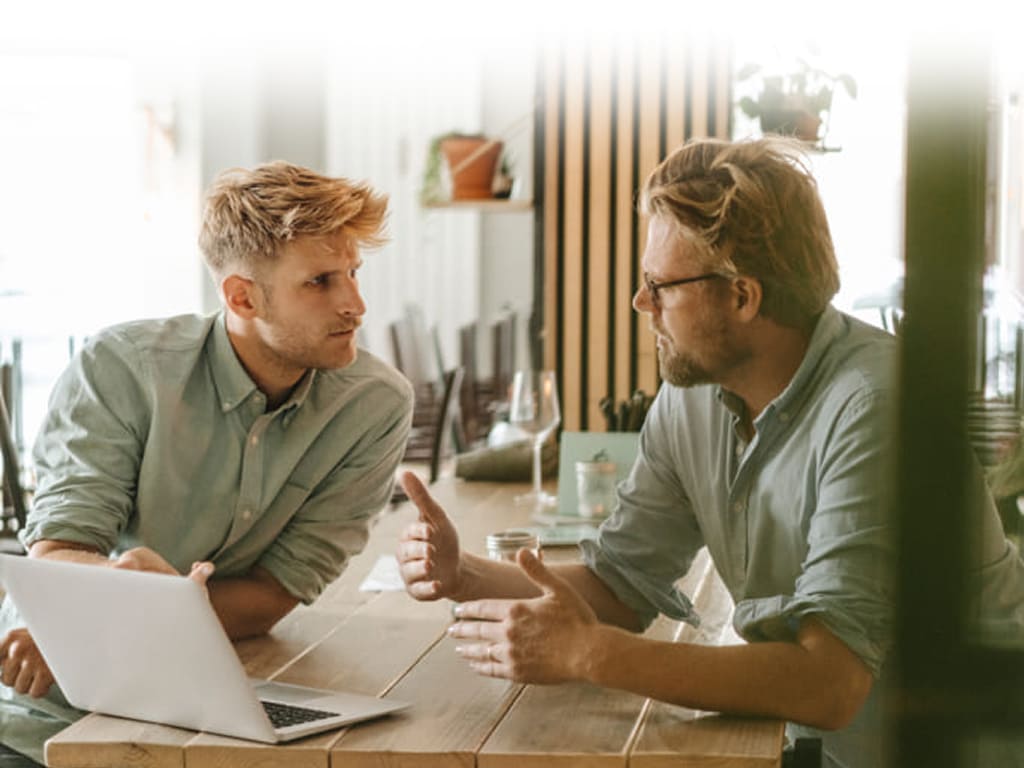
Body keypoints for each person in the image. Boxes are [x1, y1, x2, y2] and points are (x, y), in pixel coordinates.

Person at [397, 137, 1024, 768]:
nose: (641, 304)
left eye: (659, 285)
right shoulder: (694, 395)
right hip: (824, 745)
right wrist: (464, 574)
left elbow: (830, 684)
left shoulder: (876, 406)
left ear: (742, 297)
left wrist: (590, 654)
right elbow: (621, 585)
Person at [0, 161, 413, 763]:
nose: (356, 304)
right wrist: (136, 610)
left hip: (210, 704)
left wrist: (145, 613)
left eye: (353, 272)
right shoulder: (122, 367)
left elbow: (277, 592)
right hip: (47, 705)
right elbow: (60, 548)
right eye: (320, 281)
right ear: (242, 296)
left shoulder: (374, 404)